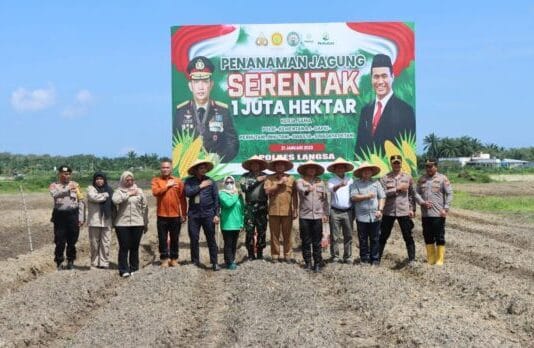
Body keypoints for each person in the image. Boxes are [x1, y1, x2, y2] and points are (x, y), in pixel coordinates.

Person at [173, 56, 239, 162]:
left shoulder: (222, 111)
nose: (201, 87)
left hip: (215, 169)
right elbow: (174, 141)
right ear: (190, 86)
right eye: (196, 82)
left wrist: (219, 157)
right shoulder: (181, 112)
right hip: (189, 169)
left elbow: (233, 143)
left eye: (204, 81)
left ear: (211, 84)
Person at [355, 54, 415, 158]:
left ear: (392, 77)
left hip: (392, 171)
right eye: (376, 77)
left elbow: (409, 148)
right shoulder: (365, 110)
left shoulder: (405, 110)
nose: (380, 82)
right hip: (367, 172)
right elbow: (359, 150)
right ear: (371, 79)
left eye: (384, 76)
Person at [379, 155, 417, 264]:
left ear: (401, 163)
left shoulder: (408, 177)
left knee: (407, 235)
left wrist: (412, 209)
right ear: (391, 164)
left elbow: (411, 195)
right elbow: (382, 194)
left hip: (403, 211)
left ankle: (412, 259)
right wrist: (397, 189)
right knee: (383, 235)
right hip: (388, 211)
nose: (396, 165)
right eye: (394, 163)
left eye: (398, 162)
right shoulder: (385, 178)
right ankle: (377, 258)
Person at [184, 159, 221, 271]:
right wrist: (200, 186)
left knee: (211, 238)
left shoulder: (211, 181)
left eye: (204, 168)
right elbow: (187, 193)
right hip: (194, 215)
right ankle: (195, 261)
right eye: (201, 168)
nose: (203, 170)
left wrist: (216, 214)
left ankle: (214, 262)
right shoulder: (189, 181)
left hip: (208, 214)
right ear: (195, 170)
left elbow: (216, 199)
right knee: (194, 238)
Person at [415, 159, 453, 266]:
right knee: (427, 235)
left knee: (439, 236)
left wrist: (445, 208)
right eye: (427, 166)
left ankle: (439, 259)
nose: (429, 168)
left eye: (431, 166)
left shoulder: (442, 178)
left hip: (438, 214)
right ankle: (431, 258)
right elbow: (416, 193)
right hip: (425, 214)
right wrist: (422, 202)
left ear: (436, 167)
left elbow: (449, 193)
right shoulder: (422, 179)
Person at [151, 159, 187, 268]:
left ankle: (174, 259)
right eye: (163, 167)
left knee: (175, 238)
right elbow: (155, 192)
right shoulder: (156, 181)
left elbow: (182, 199)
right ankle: (164, 259)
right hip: (162, 215)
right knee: (162, 238)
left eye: (167, 167)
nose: (165, 169)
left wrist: (184, 213)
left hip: (175, 215)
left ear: (171, 168)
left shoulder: (178, 181)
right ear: (160, 169)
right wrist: (167, 185)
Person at [112, 171, 149, 278]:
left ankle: (134, 268)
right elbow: (115, 200)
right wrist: (129, 194)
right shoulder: (119, 191)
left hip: (137, 223)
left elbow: (144, 206)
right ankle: (123, 269)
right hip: (122, 223)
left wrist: (145, 222)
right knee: (124, 246)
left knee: (134, 247)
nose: (129, 182)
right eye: (127, 180)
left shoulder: (139, 191)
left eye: (131, 180)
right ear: (123, 180)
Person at [49, 165, 85, 270]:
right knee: (60, 240)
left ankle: (71, 261)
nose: (67, 176)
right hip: (60, 215)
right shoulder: (54, 185)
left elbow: (81, 201)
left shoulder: (76, 185)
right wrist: (68, 189)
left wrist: (81, 217)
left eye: (69, 174)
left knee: (72, 240)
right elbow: (54, 195)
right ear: (59, 174)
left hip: (73, 215)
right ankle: (59, 261)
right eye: (64, 174)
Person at [296, 160, 329, 272]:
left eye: (313, 168)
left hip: (318, 216)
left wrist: (325, 213)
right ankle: (308, 262)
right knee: (306, 240)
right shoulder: (300, 181)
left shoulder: (321, 182)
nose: (311, 170)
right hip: (305, 215)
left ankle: (317, 262)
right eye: (309, 168)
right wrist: (308, 189)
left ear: (316, 171)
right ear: (305, 170)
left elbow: (325, 200)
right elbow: (301, 190)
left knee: (317, 240)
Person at [264, 156, 298, 262]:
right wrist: (279, 184)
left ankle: (288, 254)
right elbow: (267, 191)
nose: (280, 166)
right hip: (273, 210)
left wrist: (295, 209)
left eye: (282, 164)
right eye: (277, 164)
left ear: (285, 166)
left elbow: (295, 195)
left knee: (287, 234)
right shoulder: (269, 178)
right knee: (274, 234)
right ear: (274, 167)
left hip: (287, 211)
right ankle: (275, 254)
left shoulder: (292, 178)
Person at [351, 162, 385, 265]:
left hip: (375, 216)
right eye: (364, 171)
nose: (366, 172)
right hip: (361, 216)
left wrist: (380, 209)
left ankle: (374, 259)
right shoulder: (355, 184)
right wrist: (367, 196)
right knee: (363, 238)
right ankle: (364, 258)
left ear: (371, 172)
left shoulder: (376, 183)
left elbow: (382, 197)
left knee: (375, 238)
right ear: (361, 173)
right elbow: (353, 197)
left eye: (368, 170)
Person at [239, 155, 269, 260]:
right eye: (253, 163)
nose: (255, 165)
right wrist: (257, 180)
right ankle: (251, 254)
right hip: (250, 207)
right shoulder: (245, 176)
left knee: (262, 230)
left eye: (257, 163)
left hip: (262, 206)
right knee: (249, 231)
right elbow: (244, 188)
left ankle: (260, 253)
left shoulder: (266, 176)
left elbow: (270, 189)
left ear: (260, 165)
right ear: (250, 165)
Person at [326, 157, 355, 263]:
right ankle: (335, 256)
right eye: (338, 167)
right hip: (335, 211)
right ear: (334, 169)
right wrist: (339, 185)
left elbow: (354, 194)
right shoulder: (331, 180)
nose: (340, 169)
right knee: (334, 235)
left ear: (345, 169)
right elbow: (331, 190)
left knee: (348, 235)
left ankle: (347, 256)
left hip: (348, 211)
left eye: (342, 167)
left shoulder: (350, 180)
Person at [86, 172, 114, 269]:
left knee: (105, 243)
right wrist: (106, 195)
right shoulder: (91, 189)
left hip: (107, 220)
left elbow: (114, 204)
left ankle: (104, 263)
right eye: (97, 179)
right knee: (94, 243)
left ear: (104, 180)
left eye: (101, 178)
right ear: (94, 180)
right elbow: (93, 197)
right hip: (95, 221)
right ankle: (94, 263)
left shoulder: (110, 189)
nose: (99, 180)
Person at [218, 176, 244, 270]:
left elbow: (242, 209)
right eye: (227, 182)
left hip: (237, 224)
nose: (229, 184)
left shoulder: (239, 195)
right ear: (224, 183)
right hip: (227, 224)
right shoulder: (222, 194)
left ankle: (231, 260)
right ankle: (229, 262)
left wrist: (242, 223)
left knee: (234, 244)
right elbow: (228, 204)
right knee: (228, 243)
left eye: (231, 182)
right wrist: (235, 195)